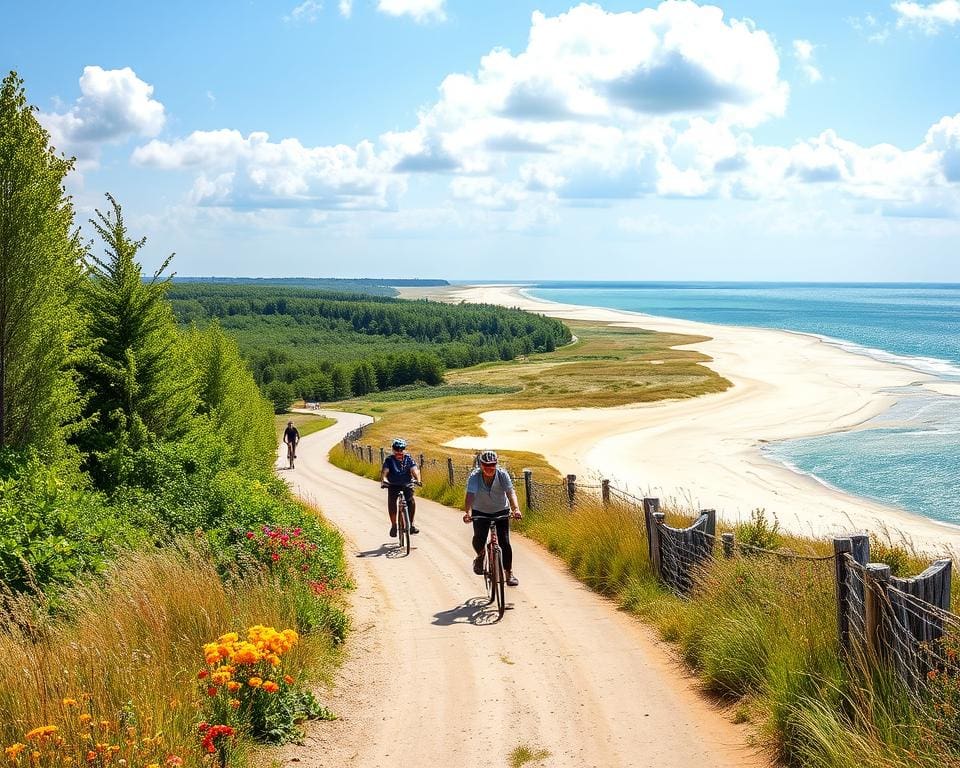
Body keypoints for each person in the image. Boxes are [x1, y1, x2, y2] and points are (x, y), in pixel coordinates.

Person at [462, 450, 522, 587]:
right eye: (486, 465)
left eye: (492, 465)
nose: (489, 468)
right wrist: (468, 512)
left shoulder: (502, 474)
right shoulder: (475, 476)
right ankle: (481, 555)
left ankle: (509, 573)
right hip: (480, 511)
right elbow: (470, 495)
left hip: (501, 510)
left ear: (496, 464)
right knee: (479, 538)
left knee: (505, 542)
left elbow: (510, 492)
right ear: (481, 465)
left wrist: (516, 509)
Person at [381, 438, 422, 537]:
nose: (399, 451)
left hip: (406, 484)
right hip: (393, 484)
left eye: (401, 449)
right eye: (397, 449)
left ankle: (411, 525)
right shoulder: (389, 460)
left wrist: (418, 479)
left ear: (404, 449)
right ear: (393, 449)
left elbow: (415, 470)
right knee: (392, 501)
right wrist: (384, 480)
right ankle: (394, 525)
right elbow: (385, 472)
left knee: (411, 501)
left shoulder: (408, 459)